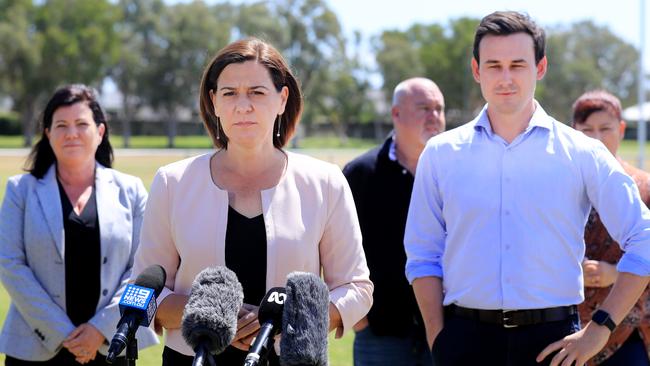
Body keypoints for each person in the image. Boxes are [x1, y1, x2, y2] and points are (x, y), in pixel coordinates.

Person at [404, 11, 650, 366]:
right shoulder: (441, 155)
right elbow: (423, 253)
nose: (505, 78)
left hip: (553, 343)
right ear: (477, 70)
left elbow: (643, 237)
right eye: (494, 65)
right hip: (463, 341)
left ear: (540, 67)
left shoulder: (581, 152)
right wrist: (437, 336)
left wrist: (600, 327)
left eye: (517, 64)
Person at [131, 37, 373, 366]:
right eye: (229, 93)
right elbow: (146, 292)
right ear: (214, 101)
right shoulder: (172, 182)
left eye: (257, 92)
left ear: (282, 98)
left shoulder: (325, 182)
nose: (243, 106)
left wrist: (290, 321)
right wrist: (213, 317)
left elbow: (355, 288)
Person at [0, 84, 158, 365]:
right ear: (48, 133)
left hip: (112, 345)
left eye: (81, 124)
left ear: (100, 132)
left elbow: (146, 266)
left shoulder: (131, 190)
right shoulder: (20, 190)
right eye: (60, 125)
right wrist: (63, 333)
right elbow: (10, 263)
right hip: (35, 348)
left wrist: (101, 328)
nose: (71, 133)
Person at [343, 77, 444, 366]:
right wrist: (360, 320)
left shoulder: (456, 172)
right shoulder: (361, 173)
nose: (434, 117)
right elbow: (337, 247)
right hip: (380, 332)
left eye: (439, 109)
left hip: (448, 326)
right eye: (424, 108)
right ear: (396, 114)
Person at [572, 90, 650, 366]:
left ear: (621, 129)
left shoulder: (645, 187)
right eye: (586, 130)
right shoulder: (559, 187)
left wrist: (615, 274)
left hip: (629, 334)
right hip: (565, 331)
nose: (597, 138)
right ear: (573, 132)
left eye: (605, 129)